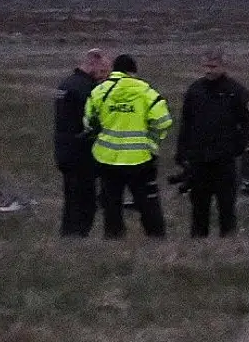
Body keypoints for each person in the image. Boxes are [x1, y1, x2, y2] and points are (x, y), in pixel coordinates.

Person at [84, 53, 172, 239]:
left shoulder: (100, 91)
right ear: (133, 71)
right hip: (140, 160)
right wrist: (151, 144)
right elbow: (163, 121)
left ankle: (113, 240)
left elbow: (88, 122)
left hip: (107, 158)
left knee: (111, 204)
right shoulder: (145, 91)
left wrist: (99, 137)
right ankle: (156, 239)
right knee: (148, 204)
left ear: (114, 70)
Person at [176, 49, 249, 237]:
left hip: (224, 160)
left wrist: (236, 148)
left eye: (213, 66)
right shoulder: (195, 90)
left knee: (226, 206)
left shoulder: (236, 92)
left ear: (222, 66)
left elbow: (248, 124)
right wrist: (182, 152)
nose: (209, 71)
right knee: (199, 206)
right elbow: (186, 122)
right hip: (199, 159)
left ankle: (228, 244)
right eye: (206, 66)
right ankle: (197, 243)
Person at [53, 48, 109, 237]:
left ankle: (68, 234)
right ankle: (78, 235)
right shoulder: (85, 88)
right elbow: (92, 121)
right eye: (102, 69)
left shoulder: (65, 84)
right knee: (85, 200)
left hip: (64, 150)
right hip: (81, 153)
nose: (103, 74)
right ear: (93, 61)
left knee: (71, 197)